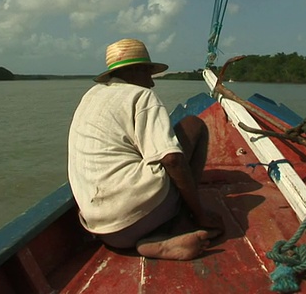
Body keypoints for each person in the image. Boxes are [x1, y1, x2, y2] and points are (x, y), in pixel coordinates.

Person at [68, 38, 224, 260]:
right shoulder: (142, 96)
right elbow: (172, 160)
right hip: (141, 216)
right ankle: (183, 222)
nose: (151, 83)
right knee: (193, 125)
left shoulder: (90, 96)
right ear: (138, 70)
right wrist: (201, 213)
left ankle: (154, 243)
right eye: (148, 74)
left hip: (102, 230)